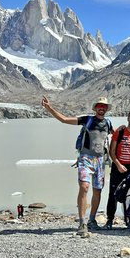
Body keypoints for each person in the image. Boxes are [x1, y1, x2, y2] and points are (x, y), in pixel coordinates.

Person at [41, 95, 113, 236]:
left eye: (104, 107)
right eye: (99, 106)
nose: (101, 109)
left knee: (97, 190)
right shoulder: (87, 119)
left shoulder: (108, 123)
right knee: (84, 187)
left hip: (100, 161)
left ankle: (92, 220)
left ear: (106, 109)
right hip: (85, 158)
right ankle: (82, 222)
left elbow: (117, 135)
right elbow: (64, 120)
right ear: (95, 108)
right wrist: (49, 108)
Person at [105, 109, 130, 230]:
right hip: (118, 166)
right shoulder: (120, 132)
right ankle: (110, 219)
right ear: (128, 118)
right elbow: (112, 151)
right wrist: (118, 165)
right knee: (113, 194)